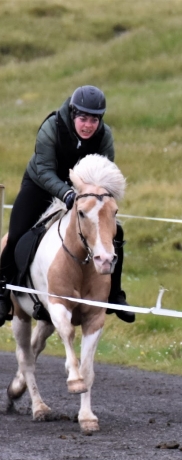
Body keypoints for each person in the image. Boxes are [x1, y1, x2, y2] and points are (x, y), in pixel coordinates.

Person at [0, 85, 135, 326]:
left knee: (116, 232)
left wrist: (90, 198)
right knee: (18, 233)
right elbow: (43, 170)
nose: (88, 125)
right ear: (73, 114)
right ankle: (3, 291)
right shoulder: (51, 127)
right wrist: (66, 193)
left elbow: (104, 175)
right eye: (83, 118)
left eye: (94, 120)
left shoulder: (105, 136)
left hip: (82, 192)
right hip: (41, 184)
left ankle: (115, 294)